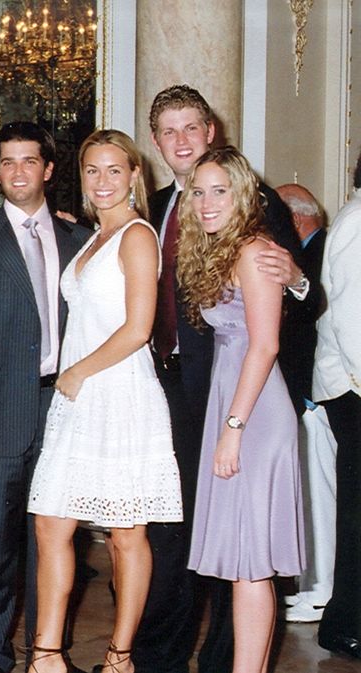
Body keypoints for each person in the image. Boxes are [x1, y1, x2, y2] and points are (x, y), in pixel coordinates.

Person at [139, 84, 307, 673]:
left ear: (211, 131)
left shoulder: (252, 225)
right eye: (169, 131)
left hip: (242, 402)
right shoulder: (166, 210)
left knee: (247, 557)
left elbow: (275, 323)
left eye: (192, 127)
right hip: (189, 395)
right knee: (208, 548)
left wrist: (300, 279)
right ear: (156, 143)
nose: (181, 140)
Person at [27, 130, 182, 673]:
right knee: (51, 523)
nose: (103, 180)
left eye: (115, 169)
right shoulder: (94, 236)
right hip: (82, 393)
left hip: (119, 392)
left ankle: (120, 657)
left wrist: (77, 373)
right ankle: (46, 654)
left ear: (135, 176)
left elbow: (139, 329)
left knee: (126, 533)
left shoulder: (138, 235)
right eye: (93, 170)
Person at [0, 121, 90, 673]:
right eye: (8, 162)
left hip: (64, 409)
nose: (19, 171)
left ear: (49, 170)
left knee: (54, 539)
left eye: (30, 161)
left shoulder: (81, 241)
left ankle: (47, 650)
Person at [180, 146, 305, 673]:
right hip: (233, 401)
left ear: (242, 194)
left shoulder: (254, 250)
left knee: (251, 565)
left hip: (253, 412)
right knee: (239, 566)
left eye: (220, 191)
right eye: (199, 191)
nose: (208, 202)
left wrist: (232, 428)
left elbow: (266, 344)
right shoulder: (218, 249)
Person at [274, 183, 334, 625]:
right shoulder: (318, 251)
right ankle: (313, 587)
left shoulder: (313, 258)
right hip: (311, 393)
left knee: (318, 494)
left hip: (315, 395)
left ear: (294, 219)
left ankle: (318, 590)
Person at [313, 149, 361, 660]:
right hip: (352, 388)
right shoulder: (357, 222)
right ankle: (344, 622)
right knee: (356, 516)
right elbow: (350, 322)